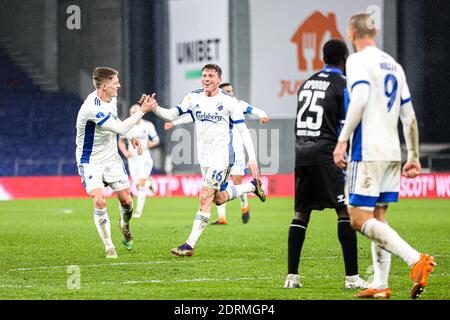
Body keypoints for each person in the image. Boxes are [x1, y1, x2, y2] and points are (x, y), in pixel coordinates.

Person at [333, 13, 435, 299]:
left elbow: (361, 98)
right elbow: (410, 117)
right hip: (392, 152)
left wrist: (342, 141)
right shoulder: (395, 65)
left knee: (357, 218)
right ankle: (380, 285)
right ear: (374, 32)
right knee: (378, 217)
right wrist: (412, 155)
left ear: (351, 34)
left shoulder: (356, 60)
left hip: (367, 152)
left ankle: (416, 259)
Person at [141, 63, 266, 257]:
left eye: (211, 76)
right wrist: (155, 108)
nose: (206, 79)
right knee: (218, 198)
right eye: (204, 75)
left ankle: (189, 244)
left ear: (218, 79)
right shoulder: (193, 97)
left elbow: (243, 130)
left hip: (223, 157)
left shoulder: (229, 102)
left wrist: (252, 158)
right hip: (205, 158)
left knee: (205, 196)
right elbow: (172, 114)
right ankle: (252, 187)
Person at [284, 39, 368, 290]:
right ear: (344, 58)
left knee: (301, 212)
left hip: (302, 152)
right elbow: (348, 120)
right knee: (344, 211)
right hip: (326, 152)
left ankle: (292, 277)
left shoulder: (306, 83)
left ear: (323, 57)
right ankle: (352, 278)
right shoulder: (342, 84)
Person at [75, 67, 157, 258]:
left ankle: (124, 226)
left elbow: (117, 123)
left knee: (127, 202)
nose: (119, 85)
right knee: (99, 200)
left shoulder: (110, 100)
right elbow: (119, 126)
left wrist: (131, 136)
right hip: (91, 161)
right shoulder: (91, 107)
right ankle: (109, 245)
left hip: (112, 159)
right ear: (104, 86)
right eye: (115, 82)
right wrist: (142, 111)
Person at [164, 82, 269, 225]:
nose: (230, 92)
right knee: (217, 187)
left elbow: (255, 110)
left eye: (231, 90)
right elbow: (192, 117)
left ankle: (244, 205)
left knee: (237, 179)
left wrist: (262, 115)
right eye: (227, 90)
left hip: (236, 150)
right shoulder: (214, 104)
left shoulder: (236, 104)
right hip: (220, 151)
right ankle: (222, 217)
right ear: (221, 91)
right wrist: (174, 123)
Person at [118, 105, 160, 218]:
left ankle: (138, 211)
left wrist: (150, 144)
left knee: (141, 184)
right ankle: (149, 182)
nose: (134, 115)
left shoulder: (148, 125)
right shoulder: (126, 126)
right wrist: (125, 153)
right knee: (137, 183)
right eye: (132, 113)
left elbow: (156, 140)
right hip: (132, 158)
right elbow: (121, 142)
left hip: (144, 156)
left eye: (136, 113)